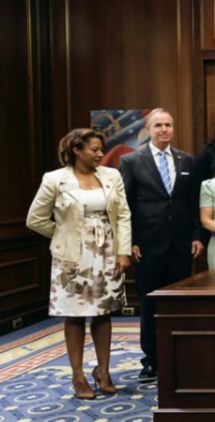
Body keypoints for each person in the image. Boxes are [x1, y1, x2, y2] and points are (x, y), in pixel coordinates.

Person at [27, 129, 131, 399]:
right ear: (76, 149)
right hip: (71, 255)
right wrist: (63, 236)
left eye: (101, 149)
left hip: (107, 250)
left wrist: (123, 252)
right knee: (73, 314)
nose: (100, 154)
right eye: (94, 149)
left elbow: (122, 216)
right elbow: (35, 219)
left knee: (104, 312)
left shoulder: (112, 175)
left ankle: (104, 371)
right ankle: (78, 376)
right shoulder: (55, 179)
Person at [120, 108, 203, 382]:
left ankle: (180, 355)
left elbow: (191, 203)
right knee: (150, 304)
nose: (164, 129)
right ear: (148, 128)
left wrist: (196, 235)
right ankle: (152, 360)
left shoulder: (187, 160)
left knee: (180, 304)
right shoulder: (132, 161)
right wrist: (130, 241)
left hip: (181, 245)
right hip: (147, 245)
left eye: (168, 124)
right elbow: (126, 206)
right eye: (159, 125)